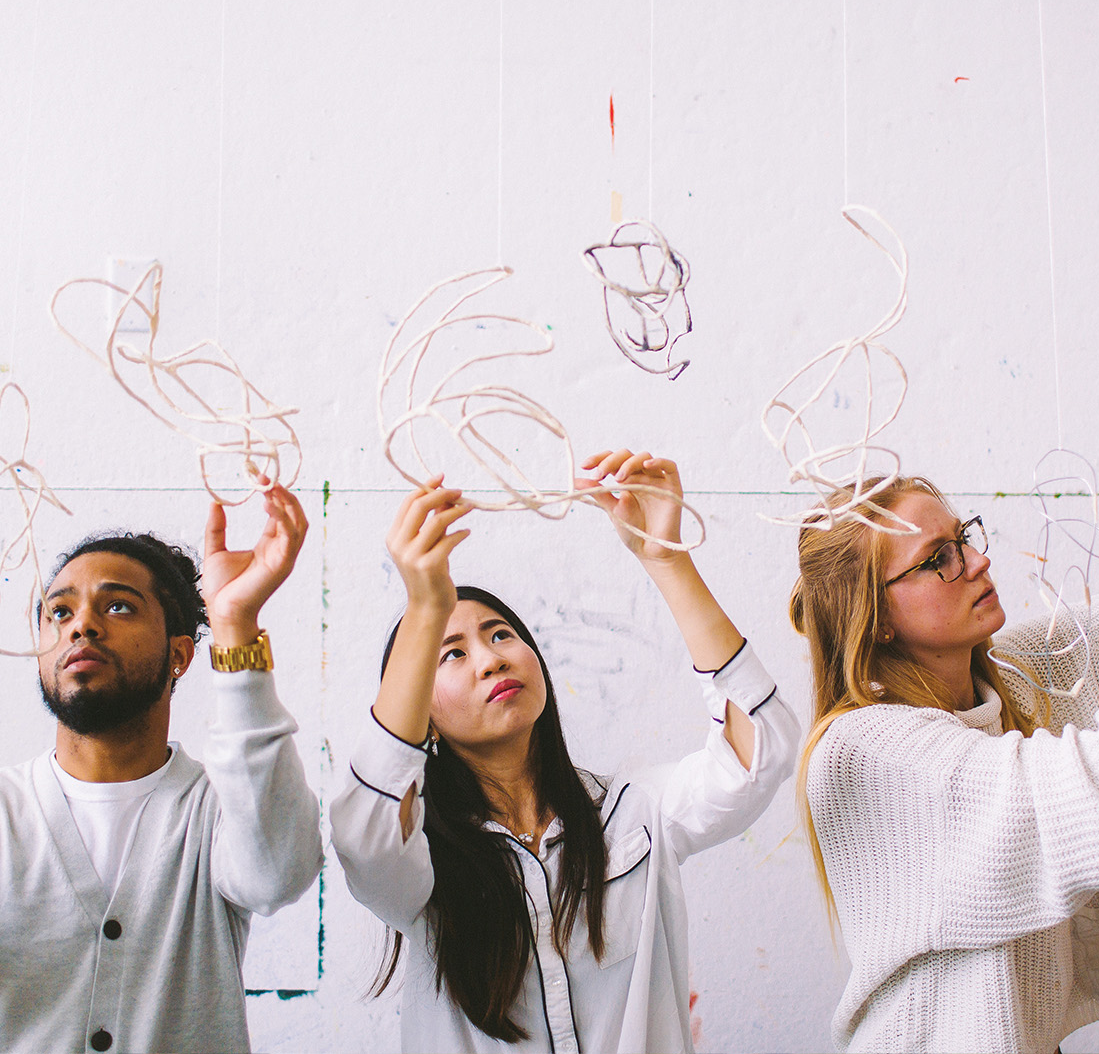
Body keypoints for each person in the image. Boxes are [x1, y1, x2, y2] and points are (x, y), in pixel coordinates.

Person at [792, 402, 1099, 1053]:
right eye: (938, 558)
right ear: (874, 615)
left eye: (964, 536)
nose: (975, 561)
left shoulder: (1007, 676)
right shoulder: (863, 752)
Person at [0, 482, 324, 1053]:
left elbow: (278, 874)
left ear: (180, 654)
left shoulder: (220, 809)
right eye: (59, 611)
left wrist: (235, 624)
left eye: (117, 605)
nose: (81, 625)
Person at [331, 450, 801, 1053]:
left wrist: (667, 561)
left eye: (501, 634)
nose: (491, 658)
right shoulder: (418, 860)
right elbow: (362, 836)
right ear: (423, 711)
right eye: (451, 653)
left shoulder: (633, 814)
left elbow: (761, 752)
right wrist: (423, 608)